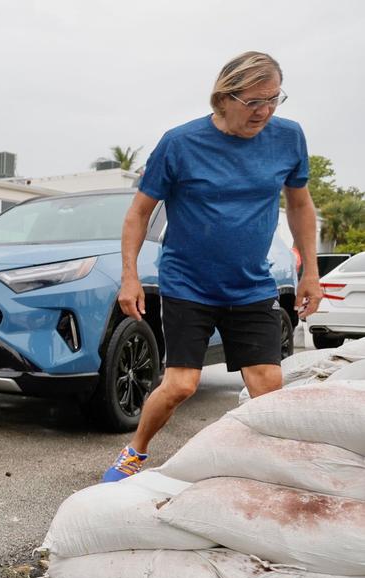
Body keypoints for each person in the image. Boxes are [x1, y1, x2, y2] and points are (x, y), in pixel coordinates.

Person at [102, 51, 321, 482]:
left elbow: (300, 204)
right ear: (224, 97)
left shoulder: (288, 137)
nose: (266, 111)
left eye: (274, 99)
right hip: (188, 284)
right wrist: (130, 276)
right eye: (255, 101)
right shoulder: (180, 143)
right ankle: (136, 451)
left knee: (267, 385)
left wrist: (310, 270)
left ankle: (263, 471)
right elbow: (138, 213)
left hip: (251, 285)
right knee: (181, 385)